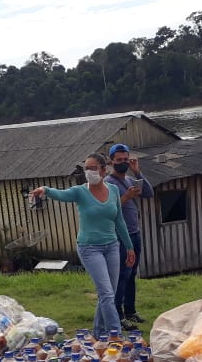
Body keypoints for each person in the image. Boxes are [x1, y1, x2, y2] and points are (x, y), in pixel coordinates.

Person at [30, 153, 136, 338]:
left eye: (93, 168)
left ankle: (97, 335)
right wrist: (45, 190)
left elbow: (119, 221)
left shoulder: (113, 190)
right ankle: (116, 337)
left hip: (111, 246)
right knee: (107, 294)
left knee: (107, 295)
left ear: (104, 170)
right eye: (87, 168)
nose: (89, 172)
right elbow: (61, 194)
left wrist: (129, 247)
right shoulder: (80, 191)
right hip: (89, 248)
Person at [104, 143, 154, 330]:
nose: (123, 163)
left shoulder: (131, 180)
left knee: (132, 274)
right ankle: (118, 315)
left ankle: (131, 310)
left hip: (135, 233)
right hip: (119, 236)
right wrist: (126, 197)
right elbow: (109, 209)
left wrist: (138, 173)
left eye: (126, 160)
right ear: (111, 161)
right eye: (119, 160)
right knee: (122, 276)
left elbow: (149, 193)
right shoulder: (109, 183)